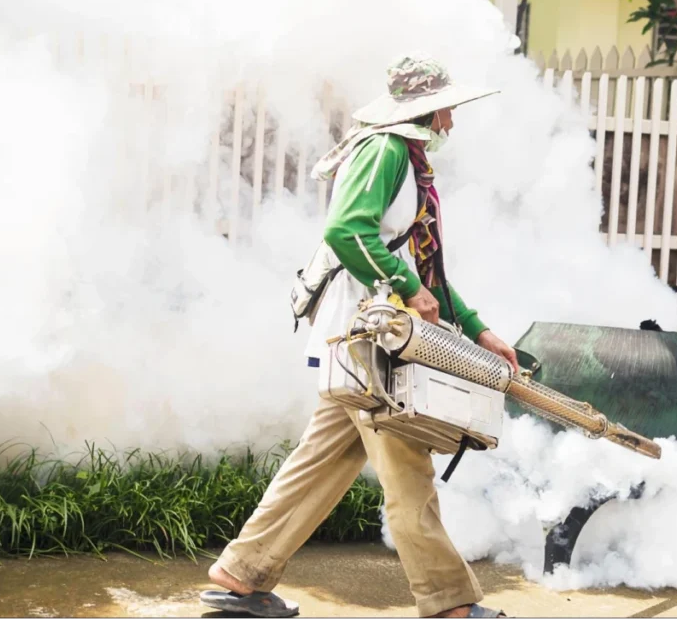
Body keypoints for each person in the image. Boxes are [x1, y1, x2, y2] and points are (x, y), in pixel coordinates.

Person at [199, 55, 517, 619]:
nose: (451, 122)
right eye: (447, 109)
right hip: (369, 335)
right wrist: (404, 287)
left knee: (324, 458)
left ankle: (241, 573)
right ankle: (449, 605)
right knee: (407, 464)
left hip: (369, 332)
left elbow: (424, 266)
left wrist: (477, 329)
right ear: (425, 109)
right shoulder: (387, 150)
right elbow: (348, 231)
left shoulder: (404, 157)